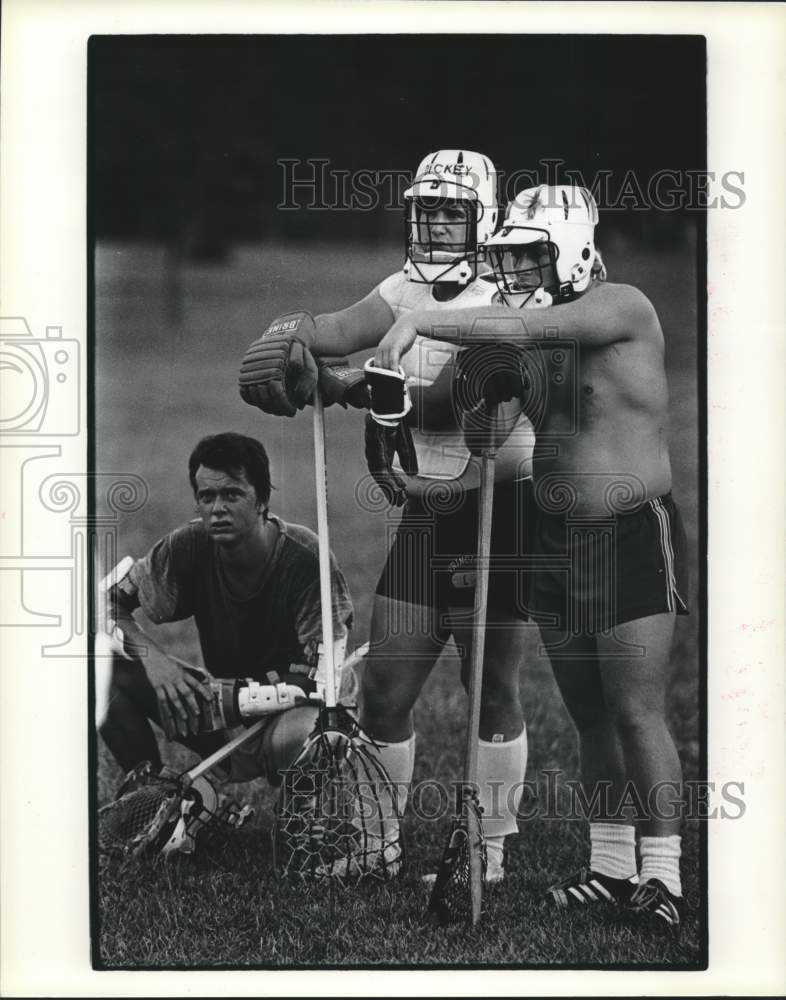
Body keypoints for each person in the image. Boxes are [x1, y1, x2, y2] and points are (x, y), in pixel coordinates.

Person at [371, 184, 690, 929]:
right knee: (591, 717)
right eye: (508, 258)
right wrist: (480, 391)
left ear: (571, 251)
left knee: (637, 711)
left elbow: (525, 322)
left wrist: (419, 319)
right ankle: (610, 868)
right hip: (556, 541)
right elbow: (484, 436)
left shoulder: (622, 307)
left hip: (629, 533)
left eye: (528, 257)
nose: (514, 272)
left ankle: (664, 876)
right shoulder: (532, 335)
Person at [239, 150, 534, 883]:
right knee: (386, 686)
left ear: (486, 218)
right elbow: (336, 326)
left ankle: (488, 851)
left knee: (490, 687)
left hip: (502, 509)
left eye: (452, 210)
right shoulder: (404, 286)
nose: (435, 222)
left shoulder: (510, 295)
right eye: (426, 209)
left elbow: (442, 403)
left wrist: (348, 384)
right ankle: (378, 841)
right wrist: (287, 338)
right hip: (428, 512)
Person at [97, 431, 354, 828]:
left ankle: (303, 820)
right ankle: (153, 797)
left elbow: (324, 682)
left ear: (262, 499)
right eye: (206, 496)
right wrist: (155, 660)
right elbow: (104, 605)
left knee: (309, 733)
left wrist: (227, 700)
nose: (217, 508)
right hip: (227, 707)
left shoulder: (306, 559)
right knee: (99, 670)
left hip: (294, 715)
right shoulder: (187, 547)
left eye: (232, 494)